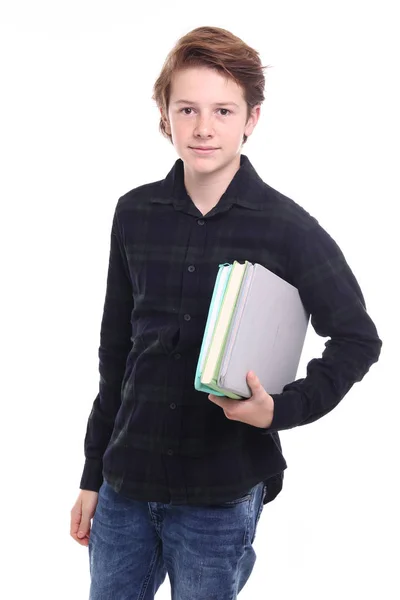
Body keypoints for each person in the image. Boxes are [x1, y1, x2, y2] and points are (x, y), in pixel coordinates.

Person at [70, 25, 382, 600]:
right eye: (186, 109)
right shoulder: (134, 213)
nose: (204, 128)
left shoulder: (286, 227)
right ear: (165, 114)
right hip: (126, 486)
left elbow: (358, 338)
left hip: (219, 493)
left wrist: (278, 411)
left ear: (252, 119)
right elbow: (116, 353)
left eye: (222, 110)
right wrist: (93, 476)